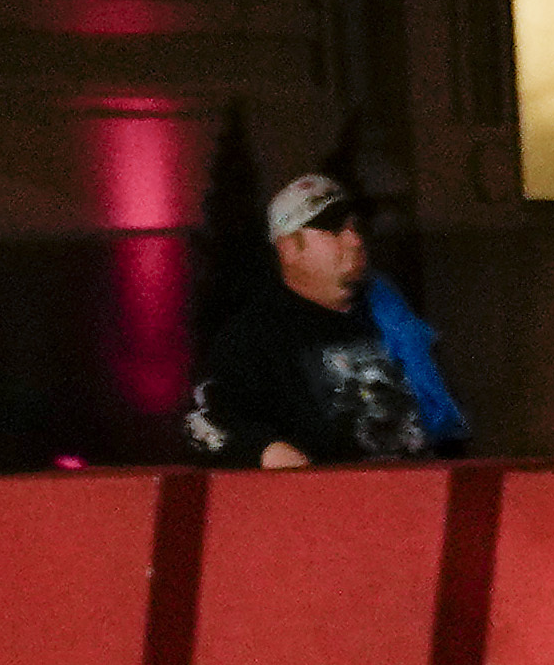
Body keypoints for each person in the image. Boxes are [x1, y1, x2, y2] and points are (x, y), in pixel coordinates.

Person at [183, 175, 459, 466]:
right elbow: (205, 425)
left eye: (355, 227)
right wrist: (265, 451)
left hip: (421, 497)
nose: (354, 240)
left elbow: (448, 423)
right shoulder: (254, 337)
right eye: (333, 230)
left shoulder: (395, 315)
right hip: (330, 505)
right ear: (290, 247)